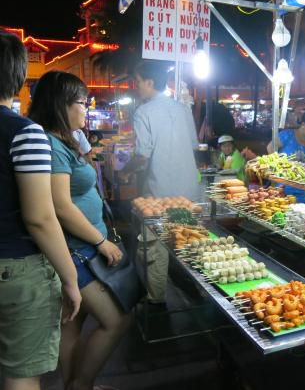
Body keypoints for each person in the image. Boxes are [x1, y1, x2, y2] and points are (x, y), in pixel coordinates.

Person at [29, 71, 129, 390]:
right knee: (117, 320)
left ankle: (72, 384)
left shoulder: (63, 140)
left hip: (80, 248)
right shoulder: (52, 144)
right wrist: (101, 242)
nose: (87, 109)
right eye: (81, 102)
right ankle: (81, 384)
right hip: (79, 251)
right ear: (61, 104)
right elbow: (60, 206)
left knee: (72, 326)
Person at [0, 30, 81, 390]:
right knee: (20, 372)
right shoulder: (24, 132)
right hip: (16, 271)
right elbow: (40, 216)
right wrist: (70, 277)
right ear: (19, 74)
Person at [121, 61, 200, 199]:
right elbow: (194, 146)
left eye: (138, 81)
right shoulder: (184, 109)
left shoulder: (143, 112)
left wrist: (125, 171)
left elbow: (142, 156)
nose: (136, 86)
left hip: (159, 195)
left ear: (150, 83)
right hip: (189, 192)